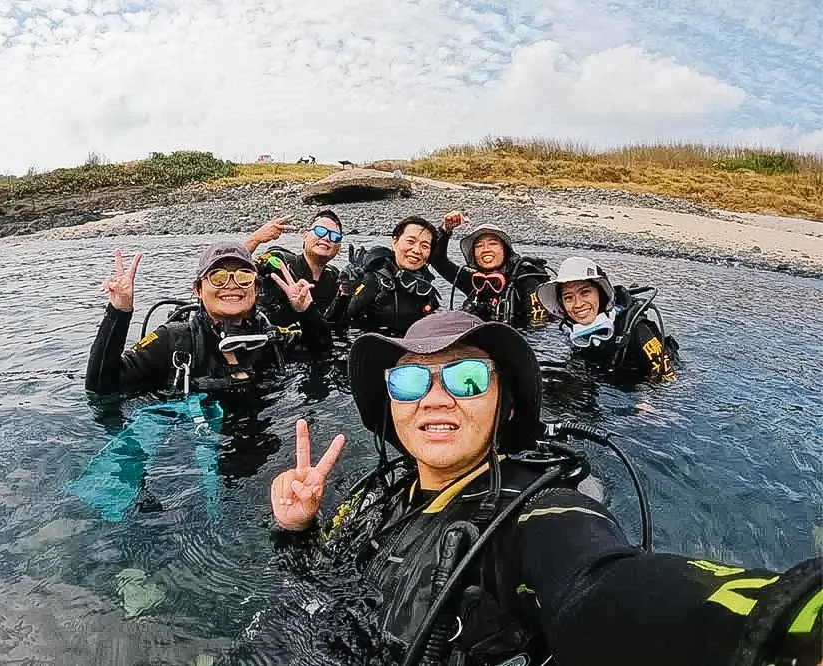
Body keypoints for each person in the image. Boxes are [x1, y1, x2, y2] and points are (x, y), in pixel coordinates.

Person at [267, 310, 821, 666]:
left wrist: (781, 629)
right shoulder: (379, 495)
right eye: (410, 379)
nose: (434, 399)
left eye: (467, 378)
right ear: (390, 403)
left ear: (504, 403)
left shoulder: (539, 513)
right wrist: (297, 529)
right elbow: (327, 583)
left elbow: (602, 582)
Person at [85, 242, 331, 395]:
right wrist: (118, 311)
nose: (232, 284)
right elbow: (101, 386)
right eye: (218, 277)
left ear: (256, 289)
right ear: (198, 290)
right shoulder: (174, 340)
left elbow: (321, 351)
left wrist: (305, 311)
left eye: (243, 276)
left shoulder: (268, 338)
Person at [536, 256, 677, 382]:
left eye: (585, 292)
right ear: (562, 304)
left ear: (601, 293)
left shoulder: (636, 329)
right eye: (568, 298)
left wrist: (645, 398)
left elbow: (667, 380)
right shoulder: (572, 331)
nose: (578, 304)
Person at [429, 210, 551, 327]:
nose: (486, 249)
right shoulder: (475, 282)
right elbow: (437, 261)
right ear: (473, 254)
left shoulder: (526, 280)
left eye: (493, 243)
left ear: (505, 250)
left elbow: (539, 327)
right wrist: (445, 229)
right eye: (479, 245)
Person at [327, 216, 441, 337]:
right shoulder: (373, 280)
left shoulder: (425, 286)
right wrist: (344, 292)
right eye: (411, 241)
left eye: (425, 246)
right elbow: (333, 325)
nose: (417, 250)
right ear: (395, 242)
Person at [245, 211, 343, 329]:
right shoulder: (278, 261)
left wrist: (346, 293)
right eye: (320, 231)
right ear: (305, 236)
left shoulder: (334, 277)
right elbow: (233, 274)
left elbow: (335, 323)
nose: (327, 238)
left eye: (334, 236)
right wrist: (254, 240)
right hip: (265, 335)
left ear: (338, 248)